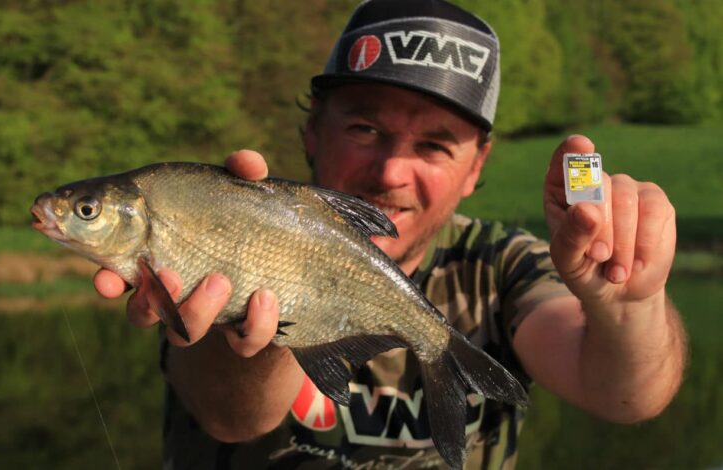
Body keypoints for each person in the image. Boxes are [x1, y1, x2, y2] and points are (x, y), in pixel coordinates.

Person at [94, 0, 686, 468]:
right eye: (364, 127)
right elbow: (230, 419)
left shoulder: (501, 266)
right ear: (312, 131)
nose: (391, 172)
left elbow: (626, 396)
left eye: (433, 144)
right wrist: (253, 315)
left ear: (477, 167)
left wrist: (628, 304)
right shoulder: (235, 228)